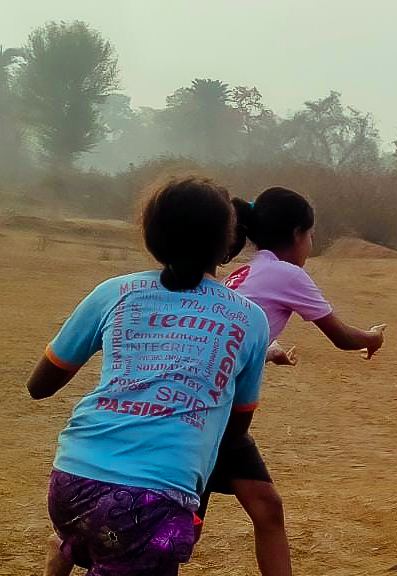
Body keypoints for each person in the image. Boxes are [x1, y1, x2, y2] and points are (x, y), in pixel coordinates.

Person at [33, 177, 269, 576]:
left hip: (70, 481)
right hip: (151, 502)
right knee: (123, 544)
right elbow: (236, 426)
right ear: (227, 242)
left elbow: (39, 385)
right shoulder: (249, 318)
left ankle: (71, 546)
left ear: (150, 234)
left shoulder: (114, 292)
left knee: (97, 539)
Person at [194, 186, 386, 576]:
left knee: (266, 507)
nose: (310, 245)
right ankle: (70, 545)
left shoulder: (245, 271)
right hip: (210, 415)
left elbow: (229, 334)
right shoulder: (287, 274)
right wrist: (373, 337)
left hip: (217, 411)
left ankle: (73, 545)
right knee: (175, 527)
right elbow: (341, 336)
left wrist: (268, 349)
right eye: (312, 236)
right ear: (298, 234)